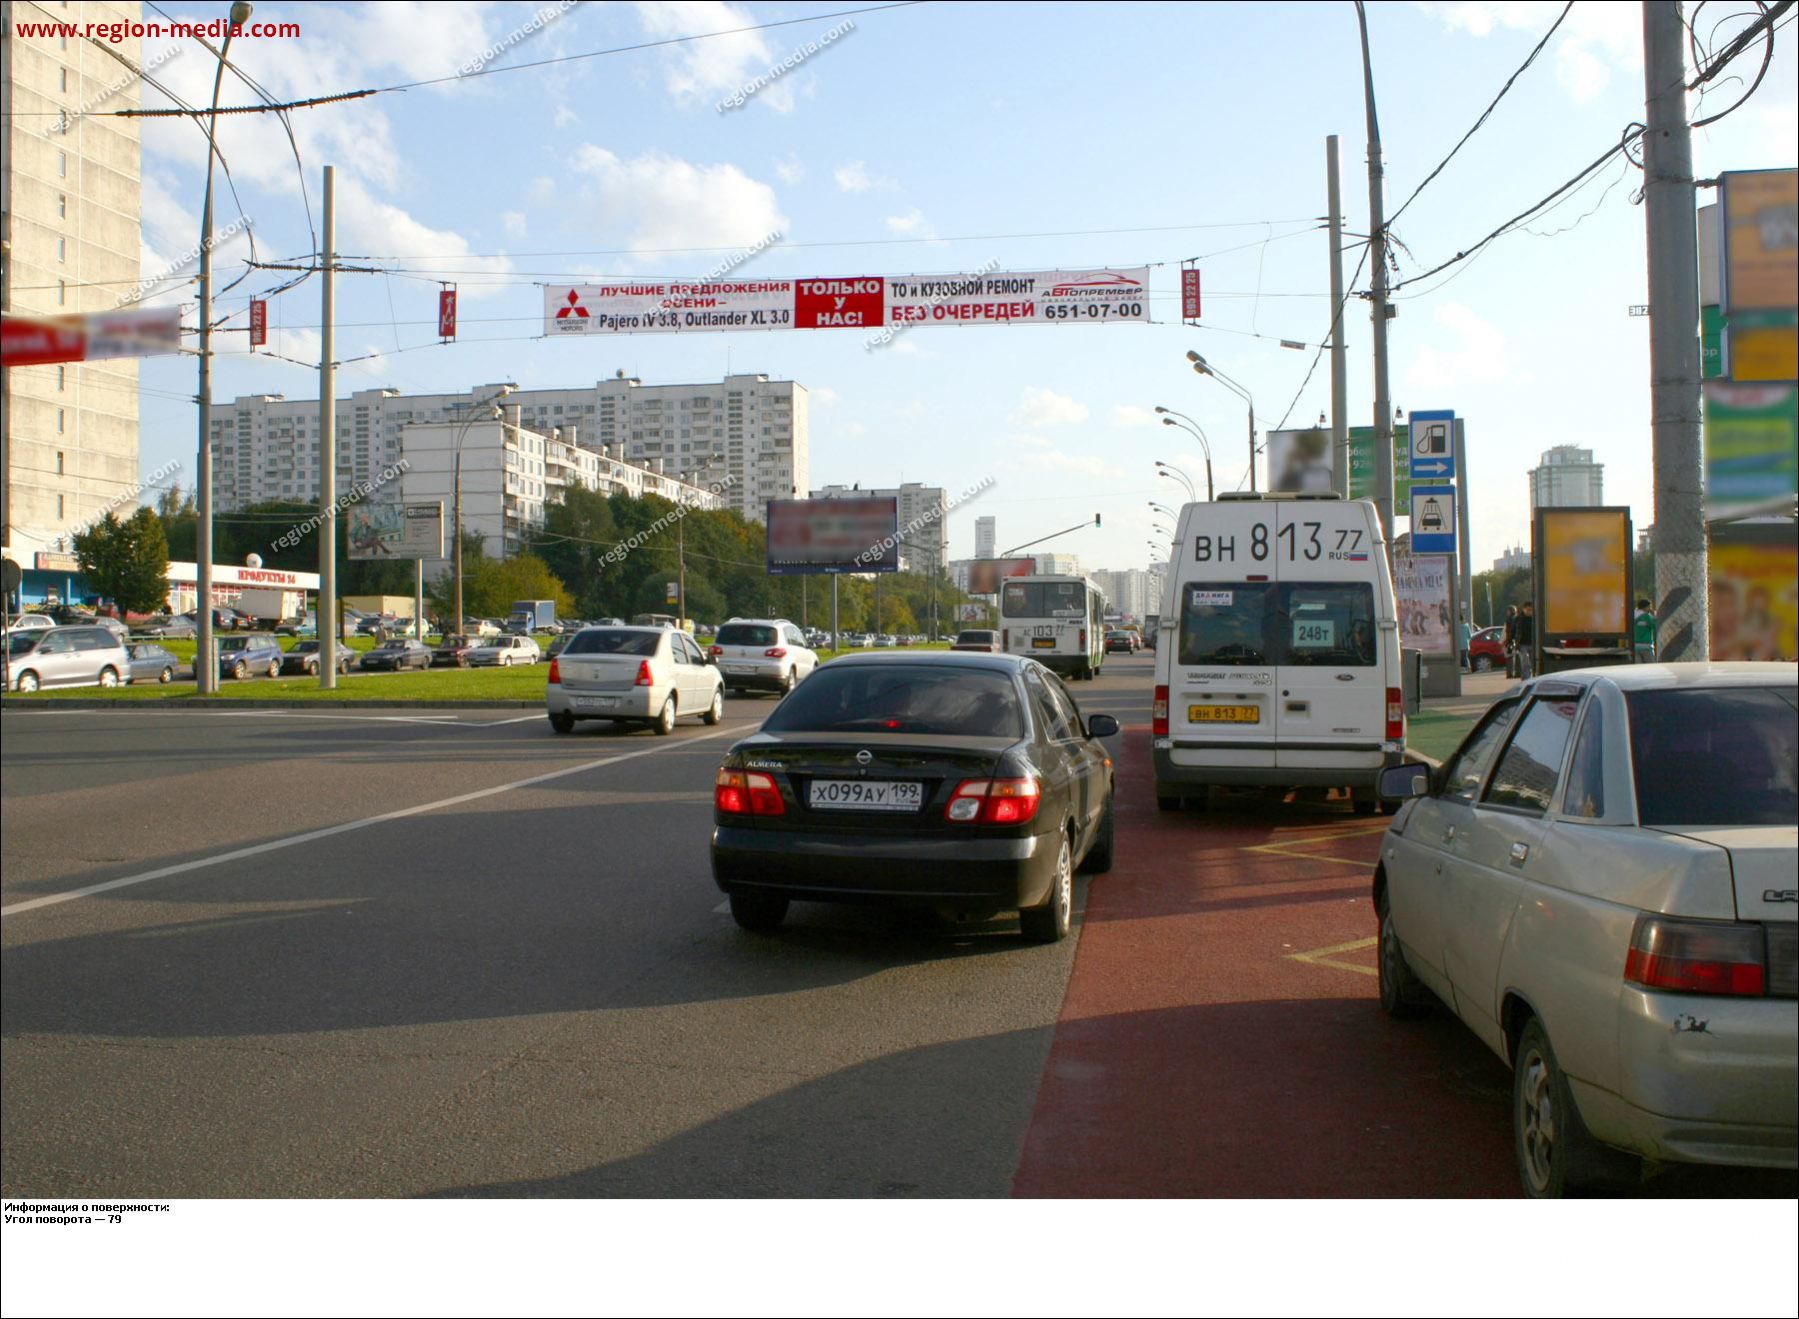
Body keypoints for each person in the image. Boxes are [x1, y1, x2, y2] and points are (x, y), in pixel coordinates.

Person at [1515, 601, 1536, 680]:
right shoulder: (1519, 619)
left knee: (1533, 662)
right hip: (1522, 644)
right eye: (1527, 609)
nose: (1529, 611)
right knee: (1525, 662)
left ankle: (1531, 678)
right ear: (1523, 609)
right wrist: (1512, 642)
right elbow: (1513, 630)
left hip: (1533, 643)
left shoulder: (1536, 619)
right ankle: (1525, 679)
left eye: (1531, 610)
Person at [1633, 597, 1656, 663]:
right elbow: (1654, 626)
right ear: (1645, 607)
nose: (1650, 608)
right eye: (1649, 607)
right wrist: (1654, 616)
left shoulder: (1633, 615)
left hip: (1635, 646)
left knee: (1638, 669)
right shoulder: (1646, 616)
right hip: (1646, 646)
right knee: (1650, 668)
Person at [1502, 605, 1520, 678]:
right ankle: (1518, 673)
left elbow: (1506, 631)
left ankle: (1509, 674)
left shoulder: (1508, 620)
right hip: (1518, 640)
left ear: (1509, 611)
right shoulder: (1519, 618)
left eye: (1508, 611)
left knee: (1509, 658)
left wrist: (1504, 641)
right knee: (1518, 657)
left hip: (1510, 640)